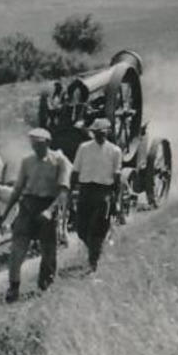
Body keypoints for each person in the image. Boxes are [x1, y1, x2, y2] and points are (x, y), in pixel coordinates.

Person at [0, 127, 71, 302]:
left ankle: (45, 288)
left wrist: (49, 211)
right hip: (28, 207)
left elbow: (63, 192)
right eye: (33, 146)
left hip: (48, 206)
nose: (36, 150)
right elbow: (17, 190)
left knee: (48, 252)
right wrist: (5, 215)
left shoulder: (60, 161)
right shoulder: (27, 161)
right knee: (16, 250)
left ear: (47, 144)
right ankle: (13, 287)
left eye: (39, 146)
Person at [71, 117, 123, 272]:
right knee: (81, 229)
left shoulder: (115, 151)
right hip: (85, 190)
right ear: (92, 133)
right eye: (96, 132)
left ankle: (93, 262)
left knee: (98, 228)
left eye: (102, 133)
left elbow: (117, 177)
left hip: (103, 192)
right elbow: (75, 170)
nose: (99, 135)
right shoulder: (84, 148)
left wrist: (117, 201)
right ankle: (96, 250)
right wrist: (70, 189)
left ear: (108, 133)